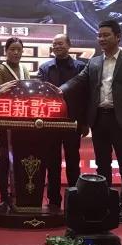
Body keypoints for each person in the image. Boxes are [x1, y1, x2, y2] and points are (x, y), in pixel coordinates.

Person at [61, 20, 122, 222]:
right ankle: (106, 203)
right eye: (99, 35)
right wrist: (59, 90)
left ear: (118, 37)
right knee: (102, 165)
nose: (101, 39)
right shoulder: (94, 62)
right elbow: (78, 80)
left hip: (121, 121)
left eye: (106, 35)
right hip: (99, 119)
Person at [37, 34, 86, 206]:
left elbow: (86, 97)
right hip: (51, 122)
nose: (57, 46)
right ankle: (53, 200)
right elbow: (40, 95)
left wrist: (85, 122)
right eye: (54, 44)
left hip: (73, 121)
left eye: (60, 43)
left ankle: (74, 199)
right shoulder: (45, 68)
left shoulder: (81, 67)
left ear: (69, 45)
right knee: (52, 162)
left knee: (73, 161)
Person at [0, 37, 30, 205]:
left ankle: (19, 194)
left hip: (22, 120)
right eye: (12, 49)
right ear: (6, 51)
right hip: (5, 120)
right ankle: (3, 197)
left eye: (19, 50)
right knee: (4, 161)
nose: (16, 53)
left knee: (21, 158)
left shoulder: (24, 69)